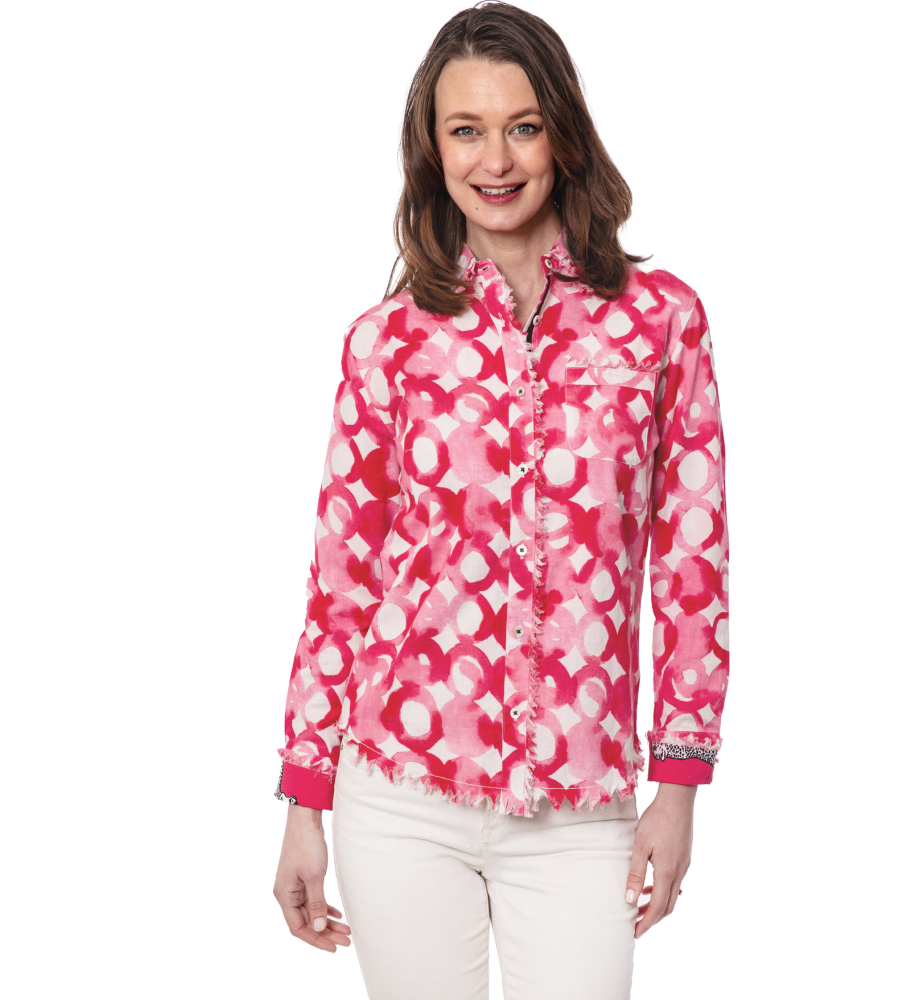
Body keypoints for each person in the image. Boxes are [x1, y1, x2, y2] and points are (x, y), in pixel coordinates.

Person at [272, 4, 730, 998]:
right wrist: (304, 798)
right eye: (465, 129)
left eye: (522, 126)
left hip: (582, 807)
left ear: (563, 132)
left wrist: (678, 784)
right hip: (399, 794)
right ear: (431, 148)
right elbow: (343, 579)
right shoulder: (385, 342)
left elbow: (691, 570)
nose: (496, 159)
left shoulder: (662, 324)